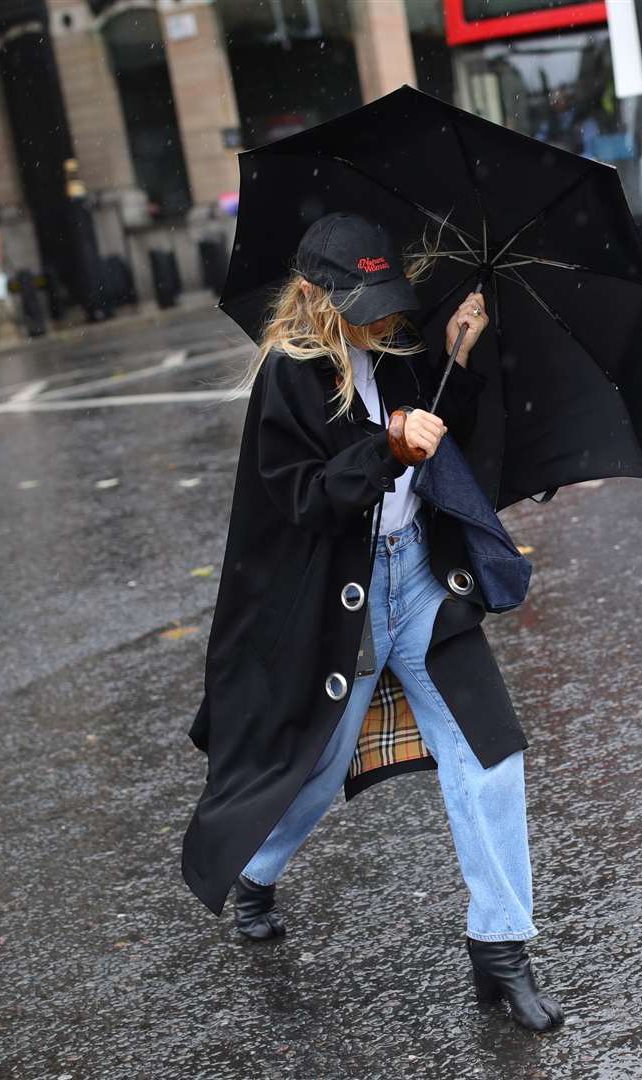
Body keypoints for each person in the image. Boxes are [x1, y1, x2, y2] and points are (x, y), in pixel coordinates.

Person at [180, 212, 564, 1033]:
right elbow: (304, 499)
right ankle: (255, 871)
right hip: (336, 606)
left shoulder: (394, 344)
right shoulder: (290, 374)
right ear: (316, 295)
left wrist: (454, 356)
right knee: (315, 771)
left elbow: (435, 434)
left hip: (421, 578)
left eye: (386, 295)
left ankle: (500, 951)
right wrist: (385, 447)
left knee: (489, 759)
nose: (380, 313)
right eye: (362, 299)